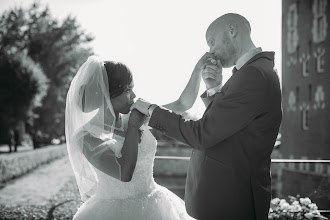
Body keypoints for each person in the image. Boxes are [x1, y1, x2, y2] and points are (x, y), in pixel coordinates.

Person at [131, 13, 282, 220]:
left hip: (230, 200)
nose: (210, 50)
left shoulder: (253, 74)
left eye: (212, 42)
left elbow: (202, 134)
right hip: (223, 195)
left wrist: (151, 110)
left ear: (232, 30)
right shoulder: (252, 71)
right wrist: (214, 89)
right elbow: (228, 127)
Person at [65, 55, 201, 219]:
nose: (134, 95)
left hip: (157, 204)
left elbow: (182, 104)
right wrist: (133, 128)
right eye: (128, 90)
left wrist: (199, 68)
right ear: (108, 93)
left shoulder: (136, 114)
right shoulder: (86, 136)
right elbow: (124, 172)